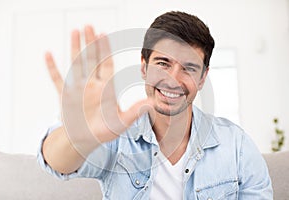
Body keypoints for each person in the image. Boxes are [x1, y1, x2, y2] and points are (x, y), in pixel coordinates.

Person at [38, 11, 273, 199]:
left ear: (202, 78)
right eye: (163, 63)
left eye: (189, 68)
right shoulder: (118, 137)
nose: (173, 79)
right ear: (143, 68)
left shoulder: (237, 146)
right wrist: (79, 138)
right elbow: (56, 163)